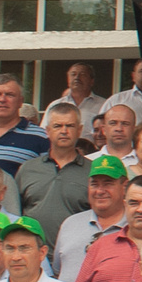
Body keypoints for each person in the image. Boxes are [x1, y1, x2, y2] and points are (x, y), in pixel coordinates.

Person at [16, 103, 97, 244]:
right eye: (57, 126)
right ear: (47, 131)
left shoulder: (93, 172)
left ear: (79, 130)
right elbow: (15, 212)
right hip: (33, 254)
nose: (64, 131)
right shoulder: (27, 169)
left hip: (76, 253)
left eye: (70, 126)